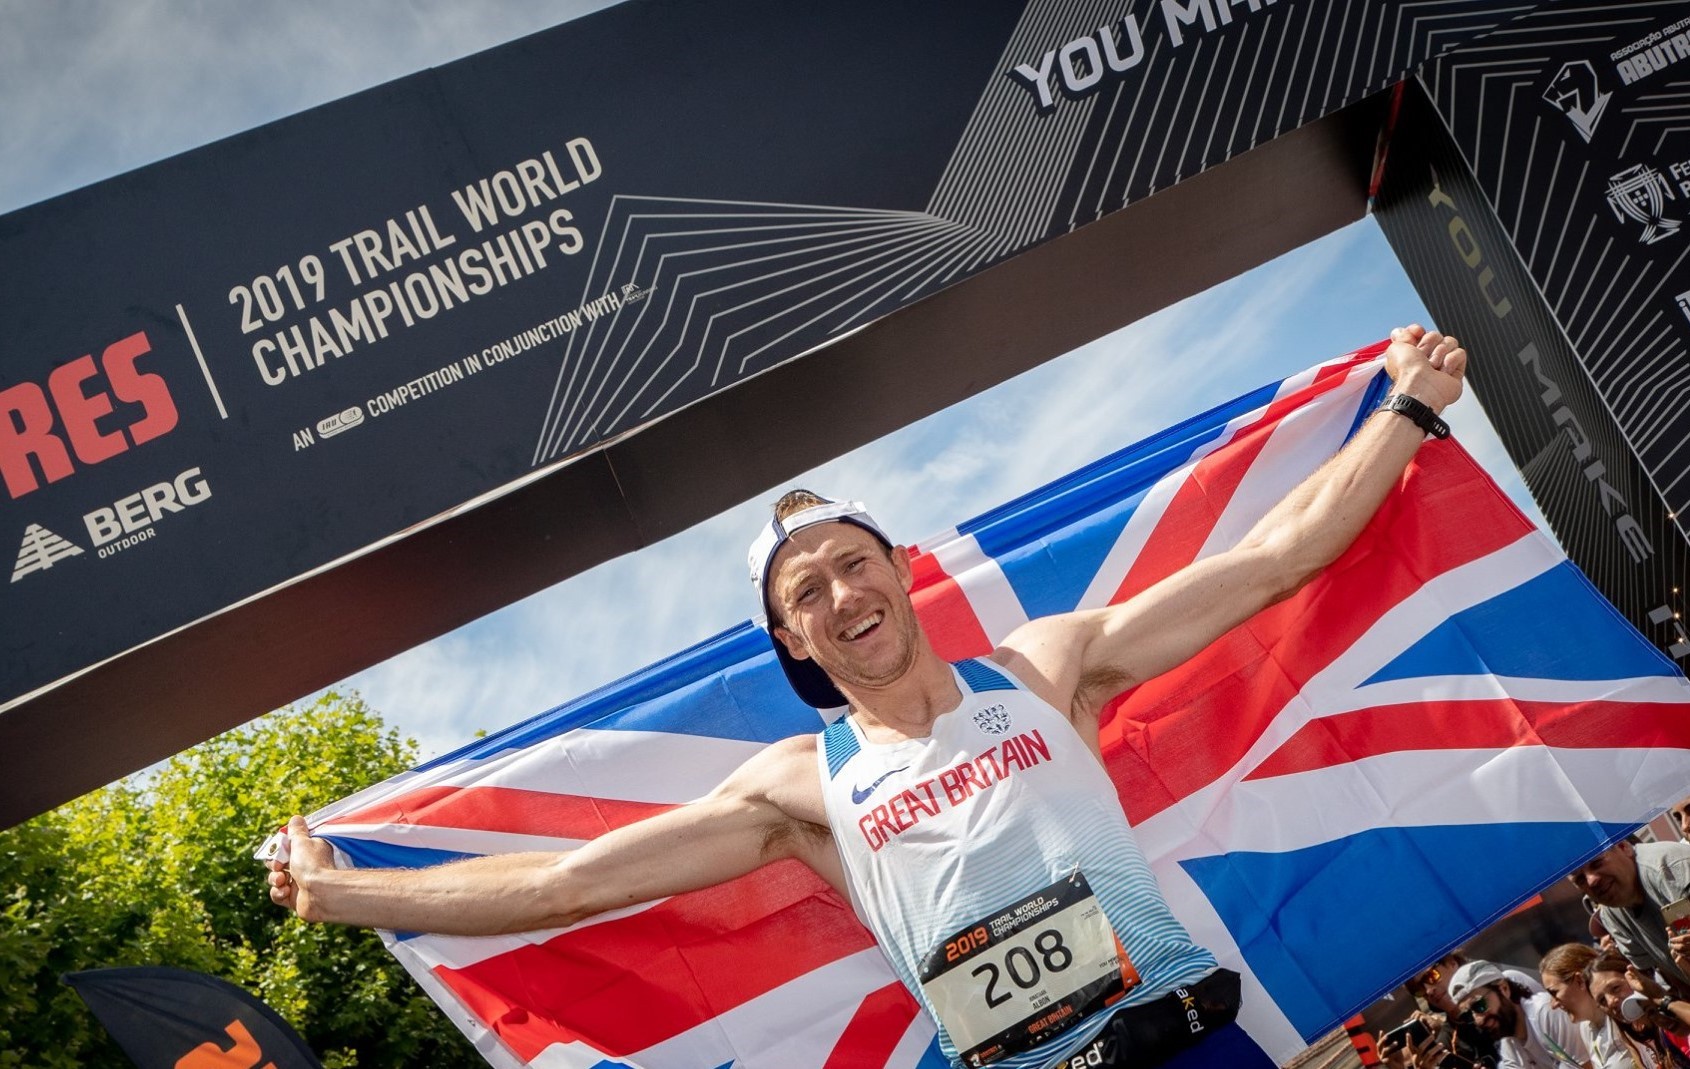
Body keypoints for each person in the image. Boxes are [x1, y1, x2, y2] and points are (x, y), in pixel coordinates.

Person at [267, 326, 1469, 1069]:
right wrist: (340, 890)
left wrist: (1405, 413)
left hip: (1186, 1037)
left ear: (900, 573)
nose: (841, 591)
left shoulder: (1045, 669)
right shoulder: (795, 788)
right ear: (794, 639)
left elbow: (1269, 562)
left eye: (855, 561)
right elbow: (572, 883)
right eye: (809, 590)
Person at [1569, 840, 1690, 997]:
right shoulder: (1611, 914)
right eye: (1580, 880)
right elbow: (1669, 971)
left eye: (1597, 863)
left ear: (1623, 847)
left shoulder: (1668, 868)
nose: (1592, 881)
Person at [1448, 960, 1588, 1068]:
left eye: (1479, 1005)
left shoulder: (1544, 1013)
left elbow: (1588, 1066)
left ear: (1504, 989)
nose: (1478, 1020)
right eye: (1469, 1013)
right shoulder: (1509, 1043)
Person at [1541, 942, 1656, 1068]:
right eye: (1602, 999)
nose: (1553, 1004)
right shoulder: (1586, 1028)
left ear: (1579, 981)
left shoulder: (1628, 1016)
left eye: (1554, 992)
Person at [1585, 952, 1690, 1068]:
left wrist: (1663, 1000)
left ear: (1635, 976)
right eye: (1602, 1000)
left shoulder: (1675, 1016)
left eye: (1616, 988)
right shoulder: (1633, 1040)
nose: (1610, 1002)